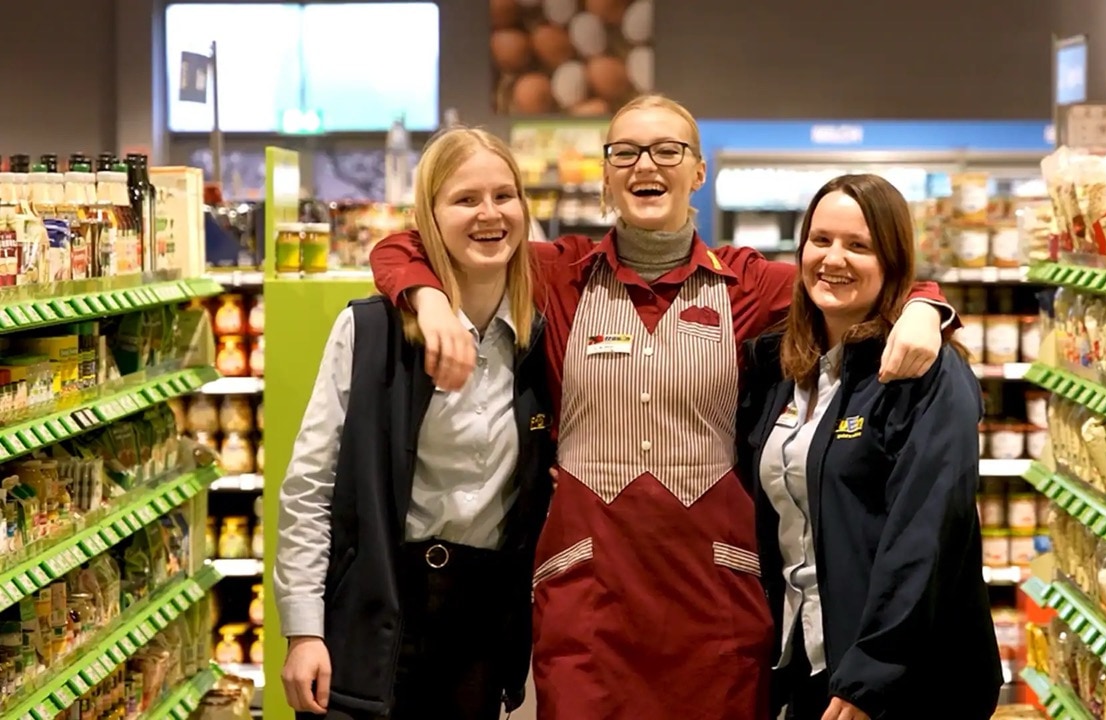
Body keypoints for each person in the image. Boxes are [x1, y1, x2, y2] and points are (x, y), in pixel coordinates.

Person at [366, 94, 958, 720]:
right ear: (607, 173)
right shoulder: (557, 273)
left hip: (715, 597)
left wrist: (924, 306)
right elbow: (406, 248)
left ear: (698, 172)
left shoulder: (749, 283)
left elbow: (853, 278)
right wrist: (428, 302)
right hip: (587, 592)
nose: (645, 164)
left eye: (667, 150)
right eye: (625, 152)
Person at [272, 127, 555, 720]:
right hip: (372, 613)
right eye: (466, 199)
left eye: (505, 196)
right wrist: (303, 630)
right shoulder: (372, 332)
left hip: (480, 632)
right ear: (429, 215)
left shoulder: (545, 338)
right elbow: (310, 486)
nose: (489, 214)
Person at [739, 173, 1002, 720]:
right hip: (807, 661)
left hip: (898, 683)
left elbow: (925, 535)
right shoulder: (781, 367)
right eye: (822, 240)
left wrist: (873, 671)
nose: (834, 259)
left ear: (892, 260)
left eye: (859, 246)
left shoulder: (926, 374)